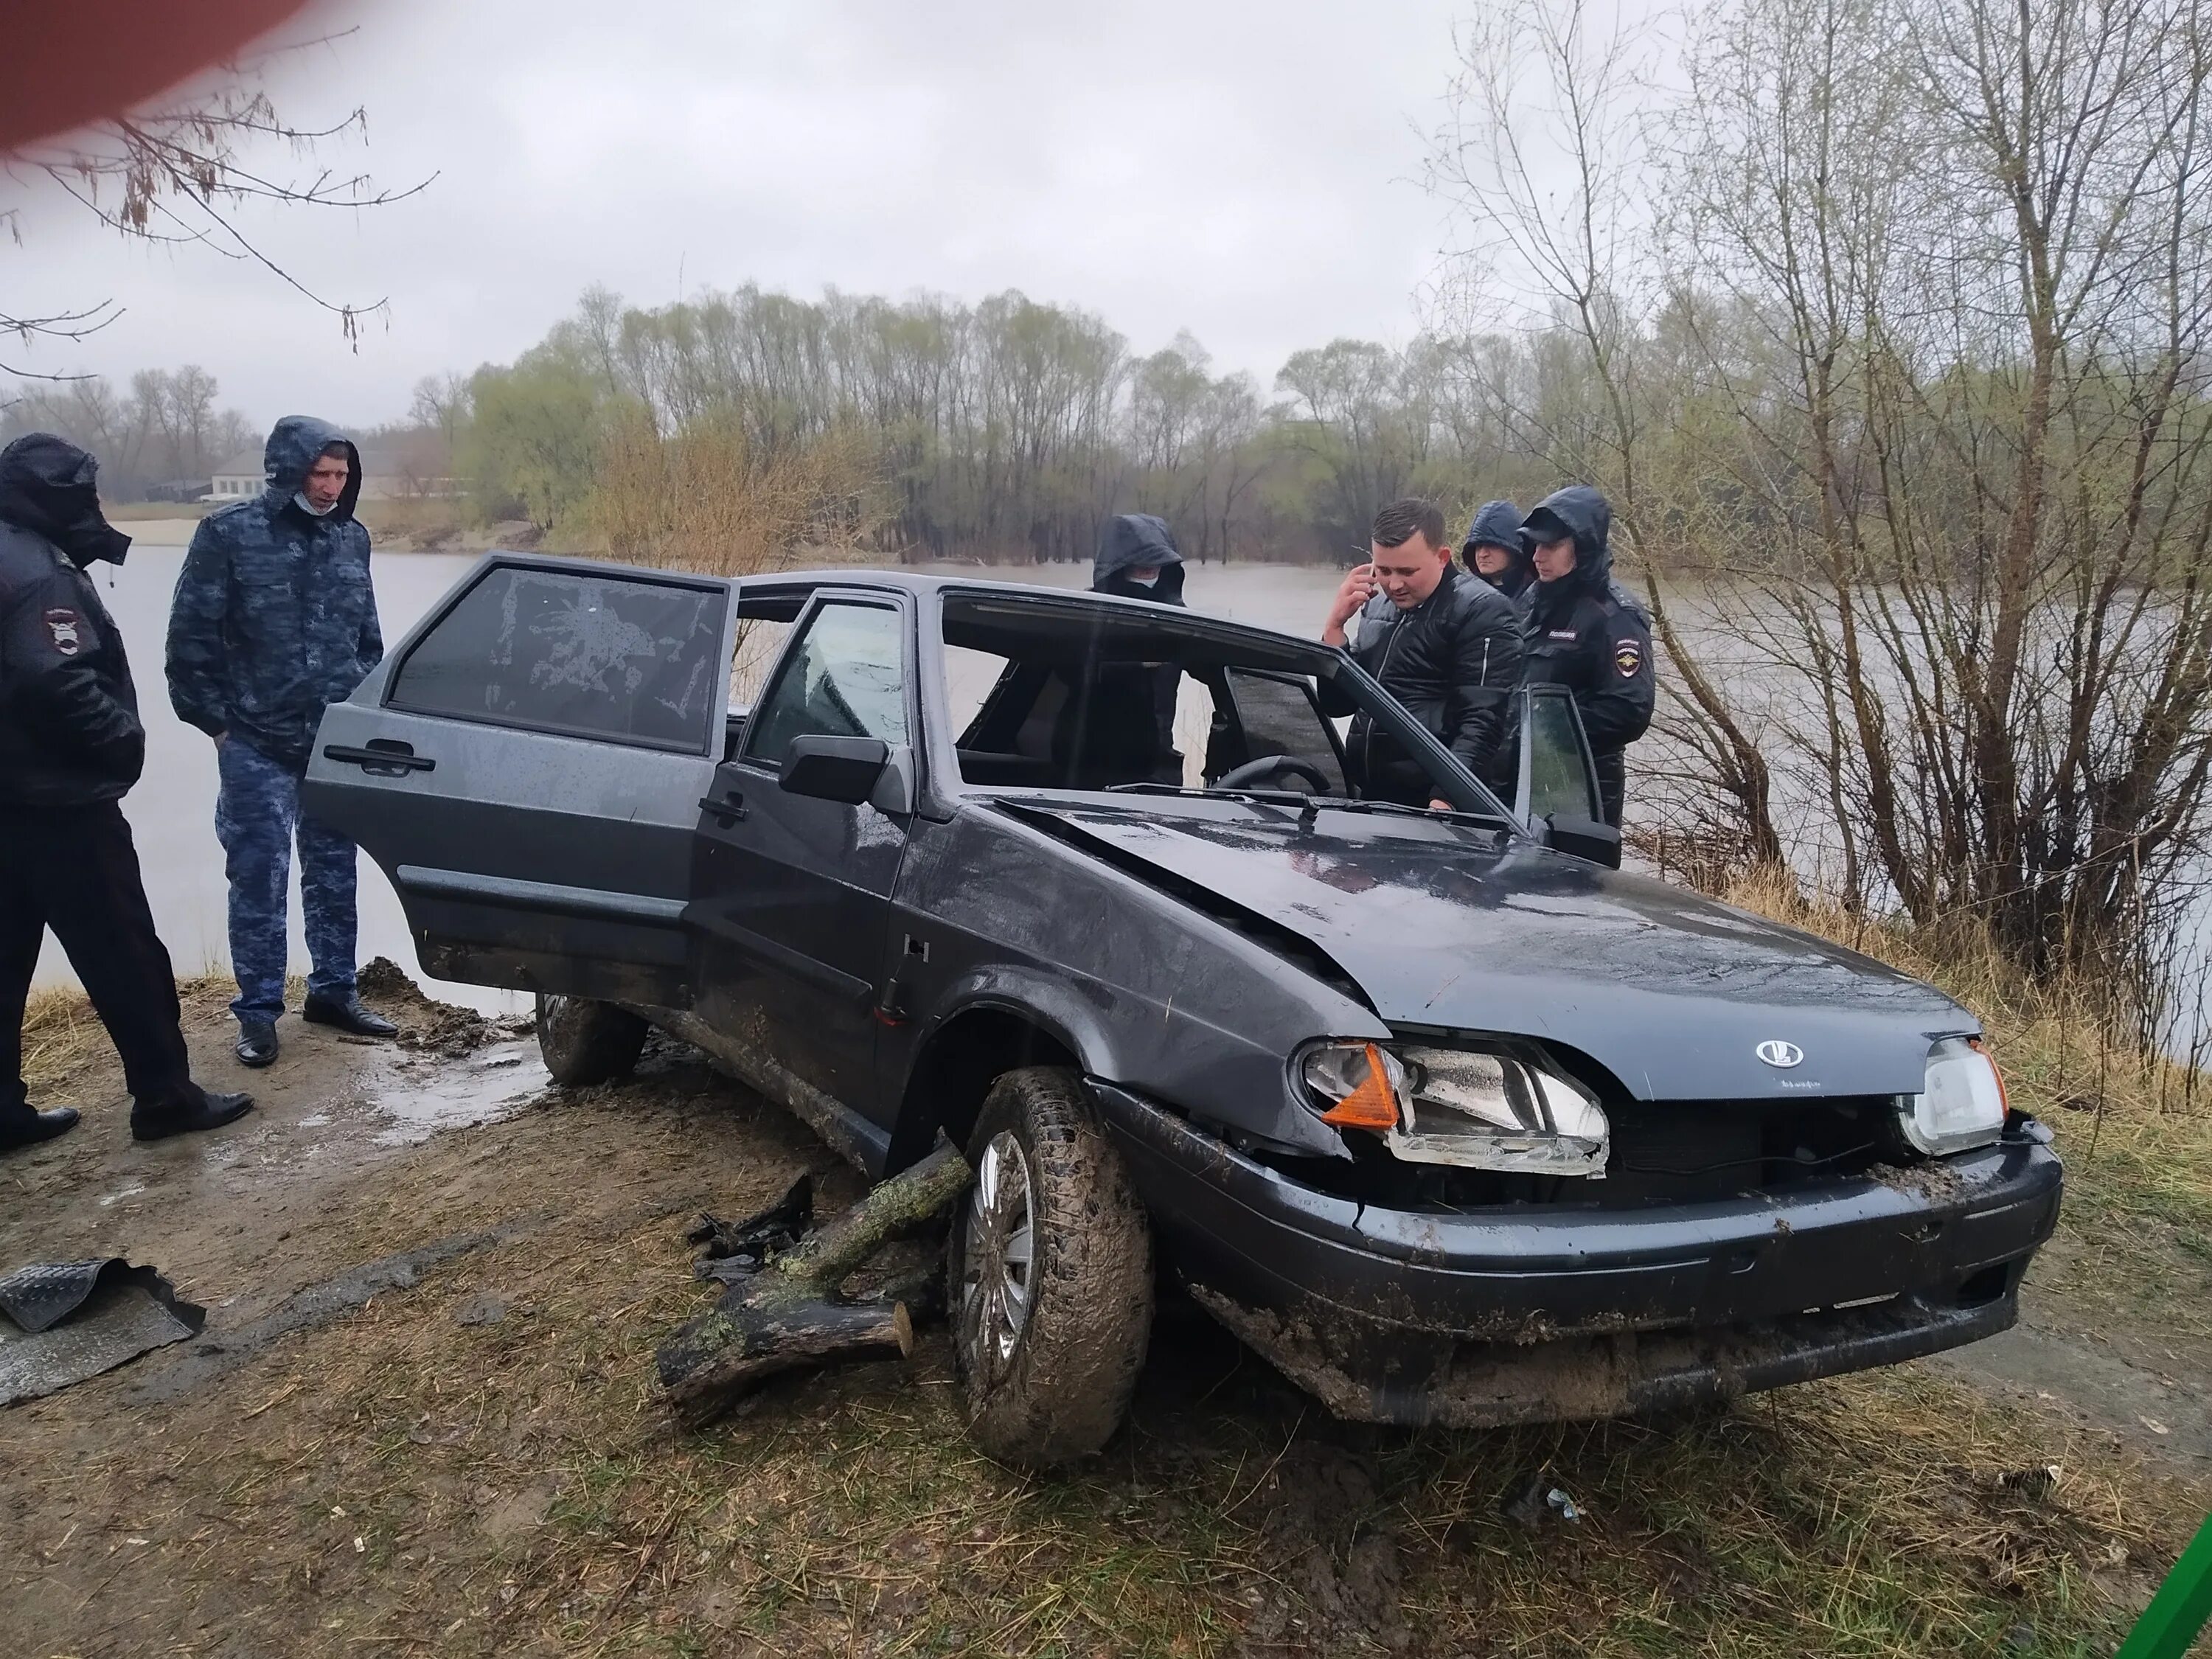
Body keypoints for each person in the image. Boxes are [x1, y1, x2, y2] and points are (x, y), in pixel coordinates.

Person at [0, 434, 254, 1152]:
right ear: (55, 497)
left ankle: (2, 1111)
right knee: (125, 952)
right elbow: (55, 678)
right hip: (61, 806)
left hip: (10, 800)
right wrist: (123, 742)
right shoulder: (39, 574)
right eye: (85, 492)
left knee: (5, 955)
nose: (97, 505)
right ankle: (166, 1097)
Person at [166, 416, 397, 1068]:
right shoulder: (229, 534)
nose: (330, 487)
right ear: (288, 470)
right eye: (320, 474)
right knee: (258, 875)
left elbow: (368, 641)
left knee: (333, 869)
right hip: (253, 739)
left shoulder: (353, 539)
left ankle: (333, 992)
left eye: (341, 475)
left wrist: (361, 709)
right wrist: (215, 724)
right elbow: (189, 641)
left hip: (330, 738)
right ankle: (259, 1013)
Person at [1322, 497, 1523, 807]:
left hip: (1432, 803)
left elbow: (1483, 721)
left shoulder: (1484, 610)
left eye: (1407, 571)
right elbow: (1339, 705)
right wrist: (1334, 630)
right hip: (1369, 796)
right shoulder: (1375, 605)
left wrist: (1447, 799)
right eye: (1384, 570)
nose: (1394, 584)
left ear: (1442, 557)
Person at [1518, 484, 1655, 827]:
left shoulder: (1615, 615)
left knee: (1575, 879)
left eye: (1550, 546)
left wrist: (1548, 728)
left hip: (1582, 785)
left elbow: (1628, 711)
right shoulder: (1532, 600)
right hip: (1522, 776)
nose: (1537, 556)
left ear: (1583, 546)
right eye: (1535, 545)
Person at [1461, 498, 1536, 604]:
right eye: (1478, 546)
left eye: (1491, 546)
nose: (1483, 554)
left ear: (1513, 549)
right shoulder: (1465, 594)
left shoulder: (1537, 596)